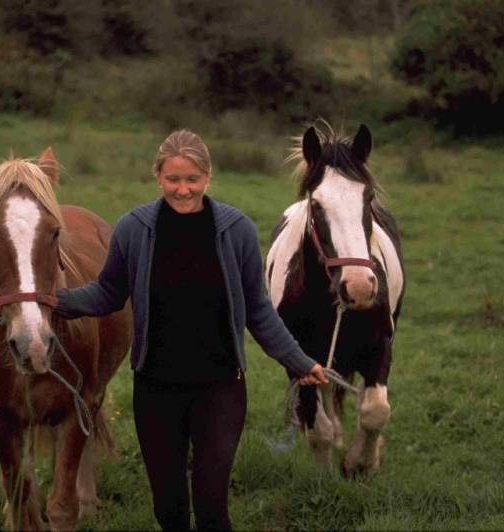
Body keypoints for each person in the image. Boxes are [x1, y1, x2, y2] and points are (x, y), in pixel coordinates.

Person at [54, 129, 327, 531]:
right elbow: (108, 295)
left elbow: (260, 312)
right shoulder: (133, 229)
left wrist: (299, 361)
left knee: (212, 507)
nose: (183, 190)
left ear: (208, 177)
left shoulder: (237, 231)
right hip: (155, 390)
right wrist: (54, 300)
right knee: (169, 512)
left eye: (192, 180)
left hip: (221, 390)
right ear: (158, 177)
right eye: (173, 179)